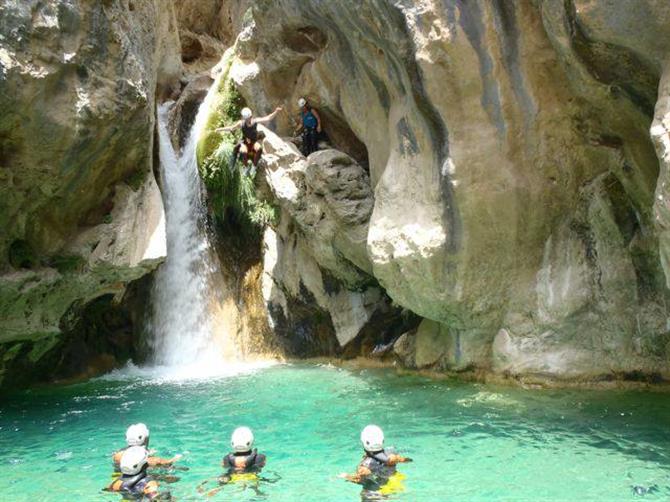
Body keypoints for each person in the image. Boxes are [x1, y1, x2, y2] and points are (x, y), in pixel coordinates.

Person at [339, 425, 412, 499]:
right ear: (382, 440)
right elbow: (406, 460)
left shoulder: (365, 466)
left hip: (379, 490)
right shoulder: (391, 452)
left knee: (365, 493)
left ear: (363, 442)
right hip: (396, 483)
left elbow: (360, 480)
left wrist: (346, 476)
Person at [216, 106, 282, 170]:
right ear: (244, 118)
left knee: (259, 149)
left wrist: (276, 111)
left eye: (250, 117)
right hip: (245, 141)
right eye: (247, 118)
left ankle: (254, 165)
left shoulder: (255, 121)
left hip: (254, 141)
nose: (249, 119)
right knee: (243, 152)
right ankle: (245, 166)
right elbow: (231, 128)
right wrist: (220, 129)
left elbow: (268, 118)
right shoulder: (241, 123)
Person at [113, 423, 182, 470]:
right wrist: (177, 457)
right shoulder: (154, 461)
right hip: (144, 485)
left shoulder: (117, 456)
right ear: (146, 439)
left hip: (120, 482)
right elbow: (170, 463)